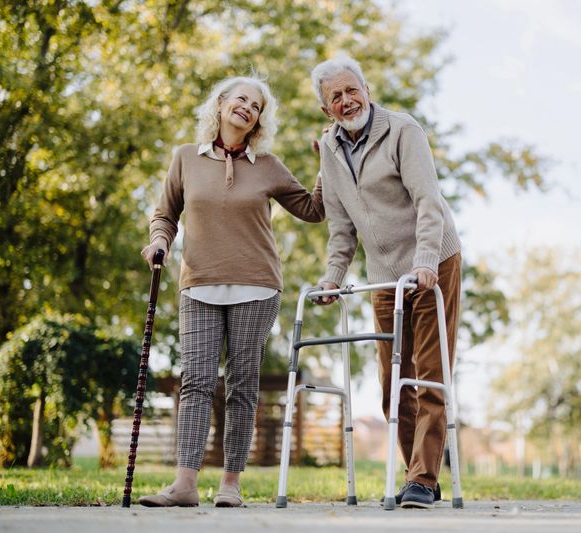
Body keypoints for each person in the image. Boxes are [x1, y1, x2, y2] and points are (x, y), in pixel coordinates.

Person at [138, 75, 324, 507]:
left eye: (256, 105)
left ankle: (230, 484)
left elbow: (313, 211)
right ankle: (184, 486)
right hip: (198, 283)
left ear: (258, 120)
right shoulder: (186, 158)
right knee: (196, 381)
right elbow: (165, 214)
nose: (247, 108)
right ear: (220, 104)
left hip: (257, 286)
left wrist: (327, 166)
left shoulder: (268, 165)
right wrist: (160, 240)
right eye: (241, 99)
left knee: (242, 384)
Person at [310, 55, 461, 509]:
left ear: (366, 89)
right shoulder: (330, 150)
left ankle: (423, 478)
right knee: (391, 380)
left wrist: (427, 260)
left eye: (351, 90)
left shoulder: (402, 130)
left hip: (433, 261)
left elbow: (427, 201)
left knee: (430, 375)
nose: (346, 100)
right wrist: (333, 277)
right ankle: (420, 473)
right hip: (383, 276)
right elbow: (341, 228)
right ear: (326, 110)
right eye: (335, 96)